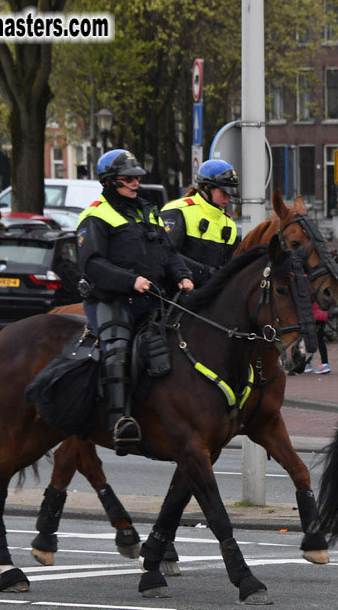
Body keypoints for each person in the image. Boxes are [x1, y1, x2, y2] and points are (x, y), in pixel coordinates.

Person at [76, 149, 194, 453]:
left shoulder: (148, 211)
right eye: (128, 178)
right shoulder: (96, 215)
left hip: (151, 299)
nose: (135, 183)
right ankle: (120, 423)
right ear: (109, 181)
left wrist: (182, 275)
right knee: (116, 348)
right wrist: (131, 280)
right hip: (112, 299)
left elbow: (168, 252)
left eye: (137, 178)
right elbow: (91, 264)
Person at [161, 158, 239, 282]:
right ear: (207, 187)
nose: (228, 198)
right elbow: (165, 253)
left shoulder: (229, 223)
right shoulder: (179, 210)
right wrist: (205, 272)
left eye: (231, 193)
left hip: (211, 293)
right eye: (224, 192)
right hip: (178, 289)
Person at [303, 300, 331, 374]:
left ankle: (308, 364)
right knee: (319, 340)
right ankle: (324, 364)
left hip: (312, 316)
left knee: (307, 339)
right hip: (321, 315)